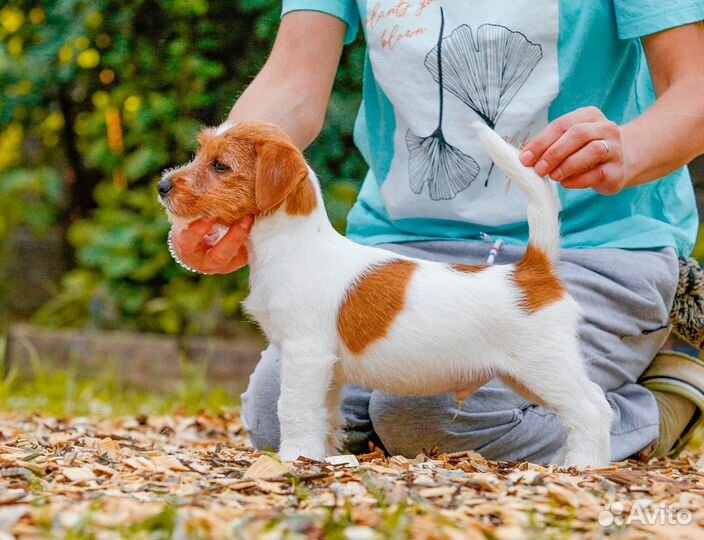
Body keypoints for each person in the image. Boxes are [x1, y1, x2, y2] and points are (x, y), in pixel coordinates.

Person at [171, 2, 704, 463]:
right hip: (404, 246)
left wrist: (626, 150)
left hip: (591, 243)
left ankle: (663, 403)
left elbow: (696, 91)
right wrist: (225, 201)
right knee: (274, 416)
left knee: (432, 418)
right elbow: (291, 80)